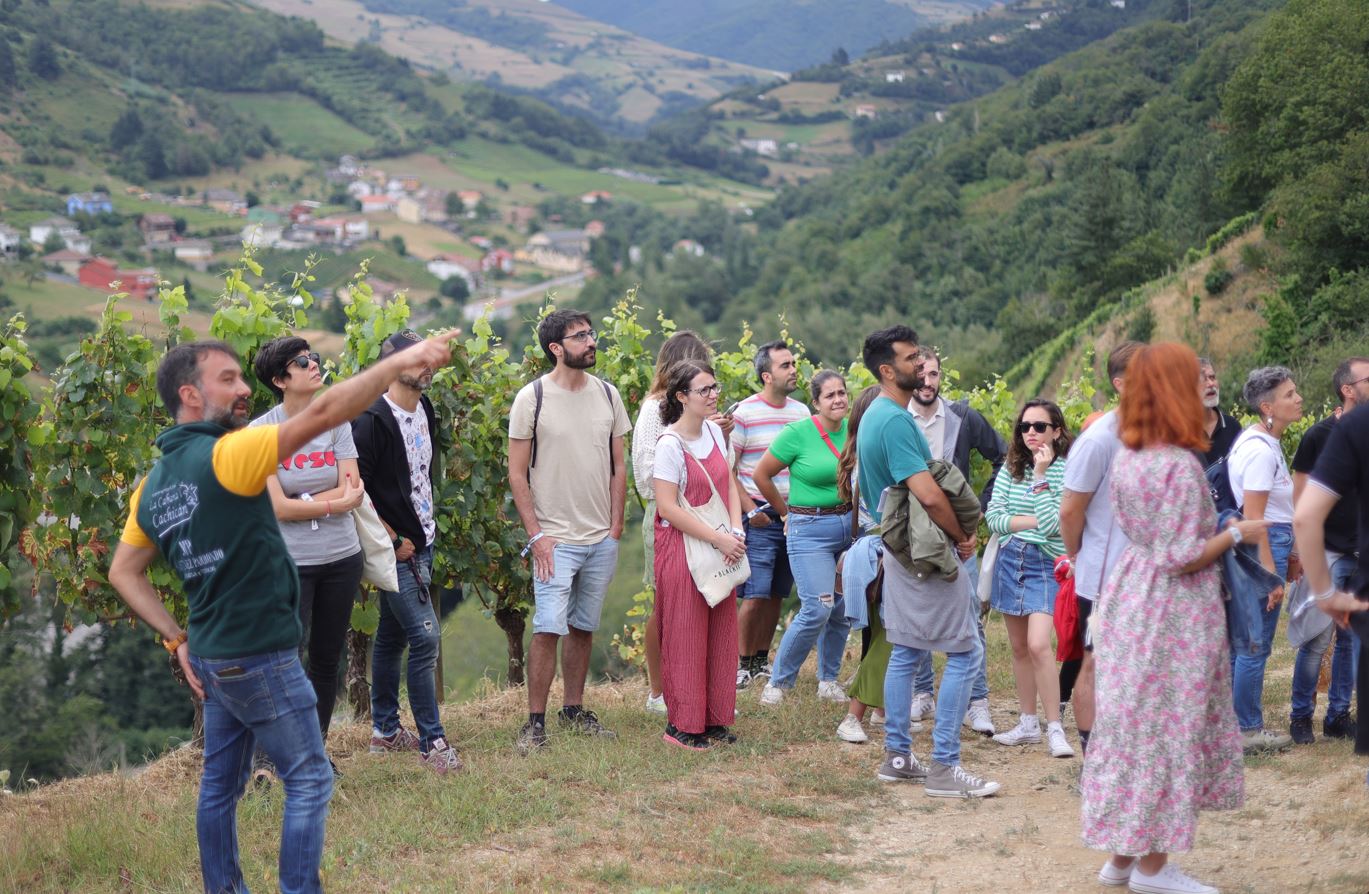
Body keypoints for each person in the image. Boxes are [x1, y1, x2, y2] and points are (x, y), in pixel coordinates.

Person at [109, 332, 454, 894]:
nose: (244, 388)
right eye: (228, 380)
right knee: (311, 777)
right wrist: (399, 363)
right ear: (190, 396)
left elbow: (124, 570)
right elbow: (324, 413)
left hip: (215, 651)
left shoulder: (152, 485)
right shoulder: (230, 454)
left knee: (220, 785)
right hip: (262, 653)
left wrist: (177, 638)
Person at [1081, 342, 1269, 894]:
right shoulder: (1178, 465)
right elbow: (1183, 555)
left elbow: (1156, 546)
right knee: (1170, 729)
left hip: (1133, 597)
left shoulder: (1132, 456)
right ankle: (1155, 869)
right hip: (1173, 611)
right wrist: (1237, 533)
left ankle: (1121, 858)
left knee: (1137, 725)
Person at [858, 325, 1000, 798]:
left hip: (898, 552)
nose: (920, 364)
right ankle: (944, 767)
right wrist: (962, 537)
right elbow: (928, 493)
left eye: (920, 356)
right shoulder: (897, 421)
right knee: (965, 651)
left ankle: (898, 756)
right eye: (910, 358)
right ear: (886, 369)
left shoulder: (876, 415)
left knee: (906, 649)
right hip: (927, 552)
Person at [508, 309, 631, 753]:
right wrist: (537, 535)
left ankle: (573, 711)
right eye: (580, 336)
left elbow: (620, 465)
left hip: (600, 537)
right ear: (556, 348)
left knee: (583, 626)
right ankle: (534, 723)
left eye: (590, 333)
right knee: (547, 627)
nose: (591, 341)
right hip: (554, 541)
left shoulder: (609, 395)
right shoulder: (532, 398)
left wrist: (615, 526)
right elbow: (517, 474)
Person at [249, 337, 366, 779]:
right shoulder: (260, 434)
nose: (314, 364)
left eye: (314, 357)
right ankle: (266, 761)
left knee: (325, 660)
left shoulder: (335, 421)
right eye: (302, 361)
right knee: (280, 660)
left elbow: (354, 488)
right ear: (280, 380)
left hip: (342, 557)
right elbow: (277, 507)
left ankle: (312, 755)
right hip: (289, 564)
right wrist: (331, 501)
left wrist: (306, 500)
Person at [352, 330, 462, 773]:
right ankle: (432, 742)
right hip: (395, 548)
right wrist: (391, 539)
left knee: (393, 634)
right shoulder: (372, 420)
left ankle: (384, 731)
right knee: (426, 637)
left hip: (423, 539)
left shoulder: (425, 409)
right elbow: (355, 488)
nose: (427, 365)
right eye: (417, 358)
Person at [907, 346, 1006, 736]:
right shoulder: (900, 420)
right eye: (921, 375)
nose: (927, 382)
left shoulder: (962, 417)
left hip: (958, 534)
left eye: (933, 375)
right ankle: (921, 693)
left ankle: (977, 701)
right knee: (917, 615)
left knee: (968, 616)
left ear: (940, 377)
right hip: (914, 535)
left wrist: (981, 506)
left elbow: (1003, 456)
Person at [652, 359, 745, 749]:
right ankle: (683, 726)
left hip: (721, 545)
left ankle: (715, 718)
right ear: (681, 397)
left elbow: (729, 486)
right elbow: (667, 507)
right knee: (686, 632)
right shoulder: (670, 445)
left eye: (714, 387)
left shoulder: (713, 432)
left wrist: (735, 532)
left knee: (721, 631)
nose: (713, 395)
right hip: (682, 548)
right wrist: (720, 539)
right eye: (704, 390)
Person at [1060, 340, 1143, 756]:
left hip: (1149, 578)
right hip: (1105, 579)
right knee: (1095, 663)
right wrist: (1078, 555)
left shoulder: (1160, 431)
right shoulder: (1098, 440)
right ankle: (1094, 754)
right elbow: (1070, 511)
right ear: (1121, 383)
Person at [632, 331, 719, 715]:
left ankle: (692, 681)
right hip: (668, 515)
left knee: (701, 597)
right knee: (665, 604)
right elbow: (646, 474)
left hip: (704, 513)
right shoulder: (654, 409)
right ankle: (657, 691)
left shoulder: (701, 414)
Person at [754, 371, 853, 706]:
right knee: (818, 607)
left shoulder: (853, 433)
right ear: (816, 402)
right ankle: (779, 683)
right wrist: (785, 513)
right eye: (830, 395)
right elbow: (761, 474)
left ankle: (828, 680)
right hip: (809, 530)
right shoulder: (797, 433)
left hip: (848, 526)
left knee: (840, 609)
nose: (838, 399)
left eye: (842, 393)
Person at [1287, 357, 1369, 744]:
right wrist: (1304, 554)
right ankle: (1301, 716)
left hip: (1360, 553)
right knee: (1316, 640)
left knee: (1352, 639)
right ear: (1347, 389)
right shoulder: (1318, 437)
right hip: (1331, 550)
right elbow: (1301, 500)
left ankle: (1338, 715)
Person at [986, 399, 1074, 758]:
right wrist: (1034, 521)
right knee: (1020, 648)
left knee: (1040, 645)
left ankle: (1053, 727)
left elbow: (1056, 526)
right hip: (1011, 558)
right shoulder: (1010, 468)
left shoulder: (1066, 470)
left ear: (1056, 430)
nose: (1031, 433)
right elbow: (993, 517)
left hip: (1046, 563)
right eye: (1025, 427)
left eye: (1039, 426)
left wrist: (1040, 478)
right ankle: (1026, 723)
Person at [1227, 366, 1303, 753]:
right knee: (1254, 644)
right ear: (1267, 406)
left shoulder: (1262, 442)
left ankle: (1233, 725)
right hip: (1262, 546)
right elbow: (1255, 520)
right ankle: (1248, 729)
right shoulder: (1259, 451)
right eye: (1290, 394)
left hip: (1270, 542)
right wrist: (1270, 574)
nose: (1299, 398)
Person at [731, 340, 809, 689]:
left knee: (777, 592)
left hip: (795, 517)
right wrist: (750, 512)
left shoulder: (802, 414)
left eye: (793, 363)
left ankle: (761, 660)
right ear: (766, 375)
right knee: (754, 594)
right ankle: (738, 665)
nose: (793, 370)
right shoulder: (744, 414)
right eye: (785, 365)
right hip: (760, 517)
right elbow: (727, 469)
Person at [1198, 357, 1242, 467]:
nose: (1211, 384)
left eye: (1212, 377)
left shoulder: (1232, 426)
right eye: (1203, 379)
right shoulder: (1180, 432)